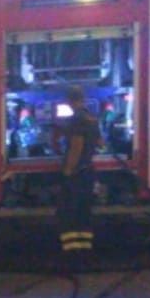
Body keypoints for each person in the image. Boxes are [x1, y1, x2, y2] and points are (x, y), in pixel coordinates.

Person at [55, 85, 100, 263]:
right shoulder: (91, 118)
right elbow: (100, 142)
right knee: (84, 212)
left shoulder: (77, 120)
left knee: (69, 212)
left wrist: (67, 171)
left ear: (69, 101)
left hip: (77, 173)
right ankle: (85, 250)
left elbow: (76, 146)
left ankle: (71, 253)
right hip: (88, 170)